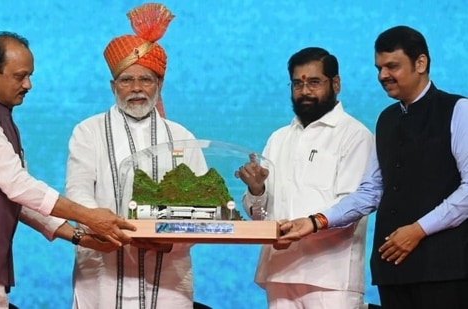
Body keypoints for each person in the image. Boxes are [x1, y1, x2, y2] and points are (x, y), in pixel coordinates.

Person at [0, 31, 136, 309]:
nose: (28, 84)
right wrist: (89, 217)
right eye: (20, 76)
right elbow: (18, 186)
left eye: (29, 75)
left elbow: (20, 199)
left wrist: (79, 236)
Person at [280, 26, 468, 309]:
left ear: (421, 63)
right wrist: (315, 221)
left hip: (445, 269)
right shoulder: (387, 119)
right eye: (379, 67)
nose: (382, 76)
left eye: (392, 66)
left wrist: (418, 229)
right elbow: (371, 191)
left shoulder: (457, 110)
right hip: (392, 269)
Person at [65, 3, 205, 309]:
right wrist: (105, 226)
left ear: (160, 84)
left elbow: (202, 206)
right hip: (103, 272)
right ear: (113, 86)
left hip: (168, 275)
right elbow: (77, 192)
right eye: (127, 80)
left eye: (146, 80)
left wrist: (172, 239)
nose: (137, 89)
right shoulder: (88, 131)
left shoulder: (182, 136)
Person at [235, 47, 373, 308]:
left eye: (314, 82)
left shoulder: (355, 135)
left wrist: (307, 226)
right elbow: (259, 216)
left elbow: (353, 207)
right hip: (279, 270)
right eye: (298, 83)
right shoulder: (278, 138)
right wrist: (256, 191)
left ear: (336, 84)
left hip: (331, 278)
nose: (305, 91)